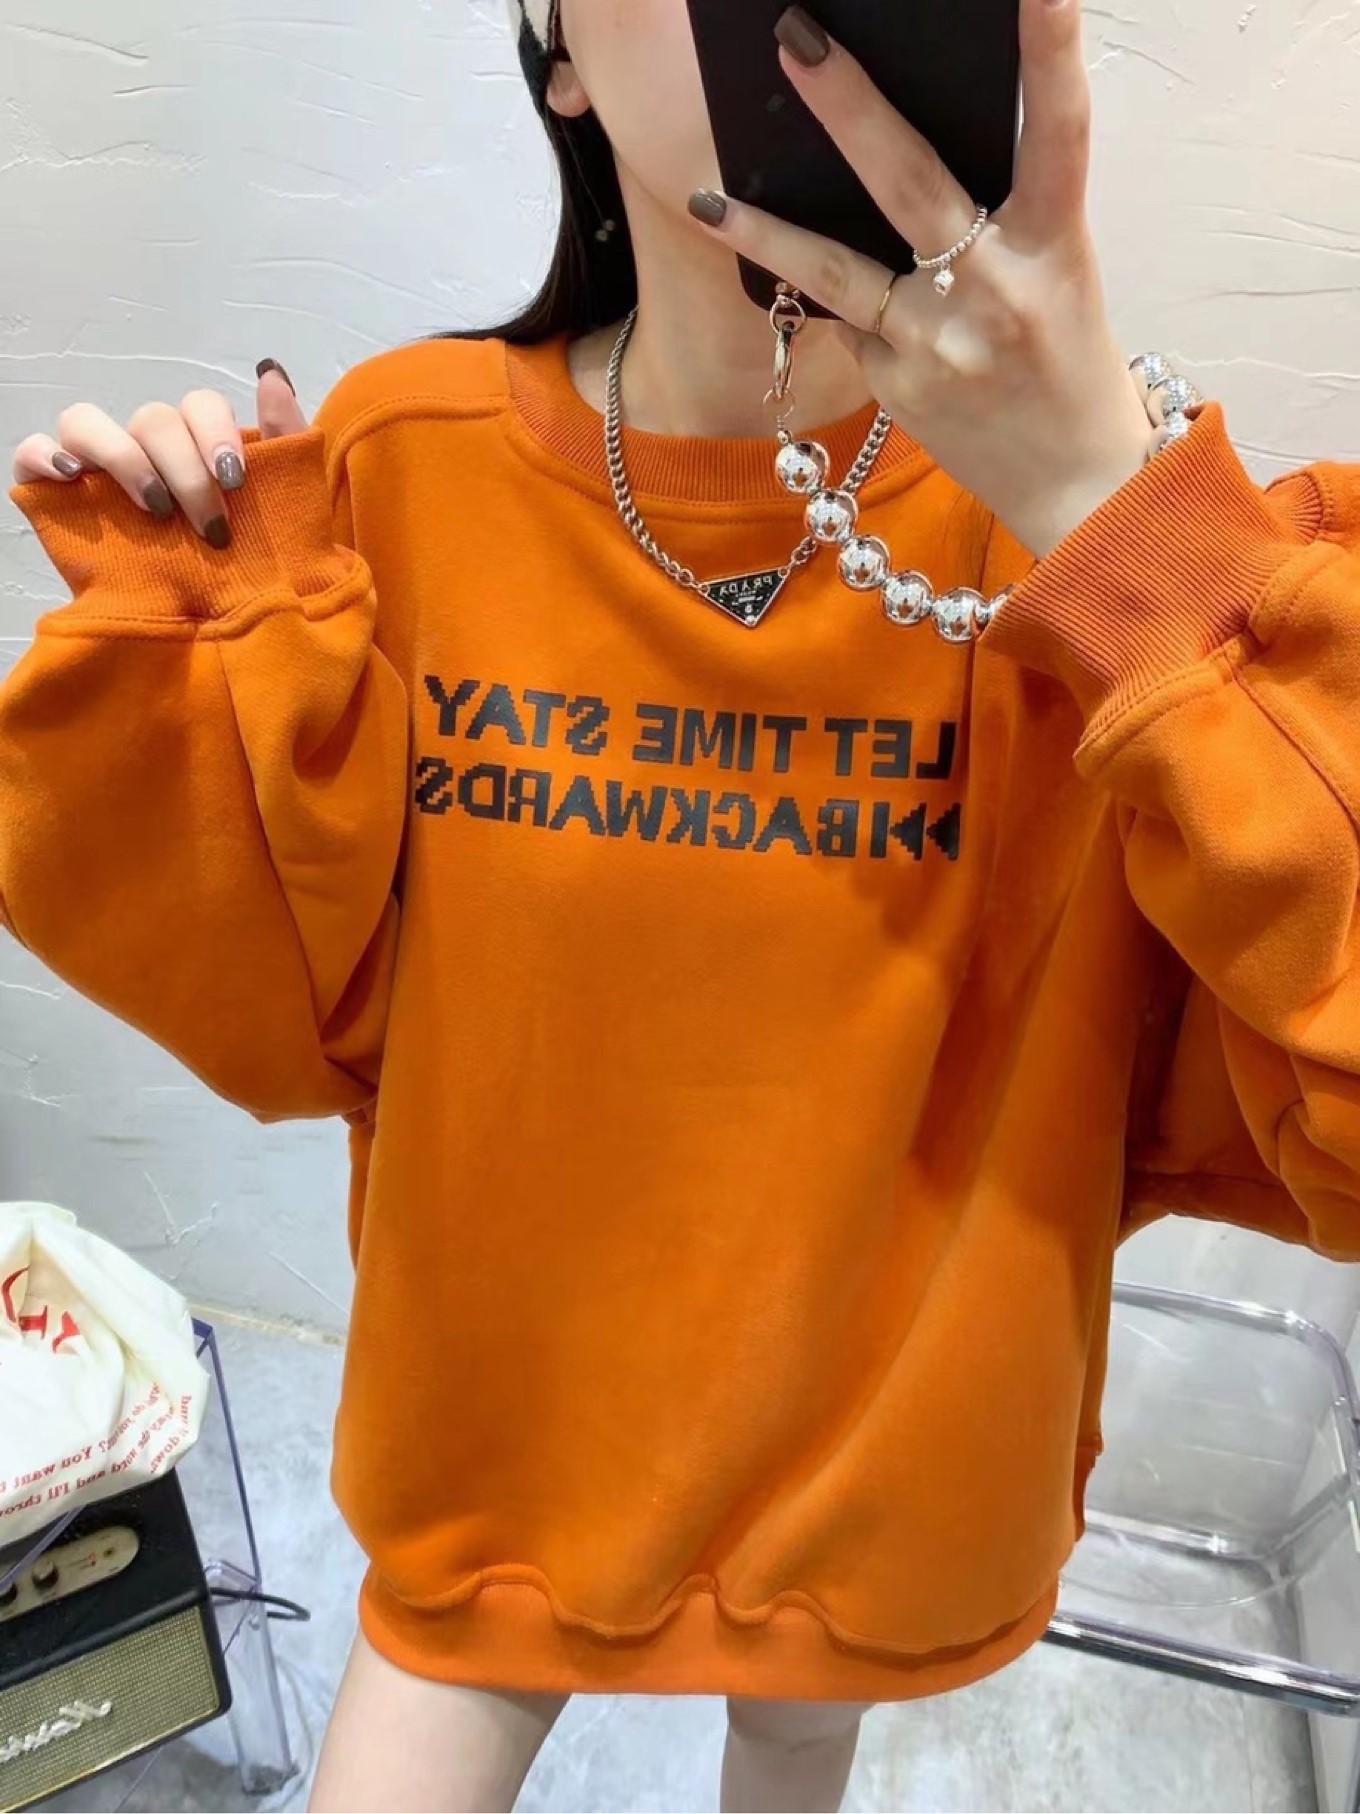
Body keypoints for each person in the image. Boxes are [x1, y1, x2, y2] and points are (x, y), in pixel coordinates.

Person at [4, 0, 1359, 1807]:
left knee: (795, 1734)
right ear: (555, 51)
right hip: (503, 1460)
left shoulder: (1108, 541)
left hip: (888, 1500)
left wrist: (1121, 521)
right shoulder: (402, 462)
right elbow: (287, 1016)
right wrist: (193, 628)